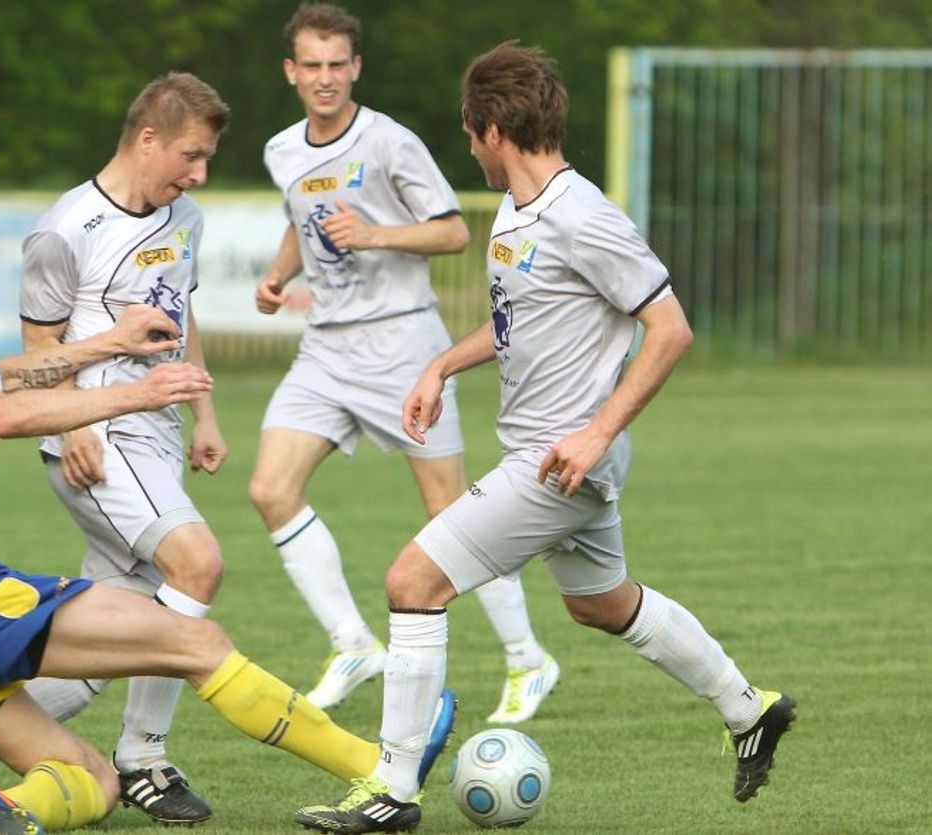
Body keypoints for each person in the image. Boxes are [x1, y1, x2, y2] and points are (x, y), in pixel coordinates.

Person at [0, 208, 455, 835]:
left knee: (91, 783)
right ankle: (384, 773)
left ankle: (7, 814)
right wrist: (138, 392)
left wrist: (108, 344)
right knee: (197, 643)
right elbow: (2, 413)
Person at [295, 41, 797, 833]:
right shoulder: (516, 213)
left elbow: (669, 329)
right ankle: (751, 708)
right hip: (553, 455)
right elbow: (514, 326)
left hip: (561, 460)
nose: (467, 146)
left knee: (411, 581)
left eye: (468, 133)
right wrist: (441, 367)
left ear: (491, 129)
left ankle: (391, 789)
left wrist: (596, 434)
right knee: (602, 604)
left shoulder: (582, 215)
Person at [0, 70, 234, 828]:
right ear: (147, 138)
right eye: (190, 155)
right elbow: (38, 347)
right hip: (96, 437)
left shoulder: (184, 216)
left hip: (154, 432)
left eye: (206, 160)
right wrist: (72, 426)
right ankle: (145, 757)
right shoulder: (67, 228)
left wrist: (205, 413)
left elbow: (180, 311)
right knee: (197, 564)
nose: (198, 173)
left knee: (113, 629)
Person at [249, 2, 558, 722]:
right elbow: (305, 222)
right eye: (311, 66)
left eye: (338, 65)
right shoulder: (281, 150)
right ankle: (353, 641)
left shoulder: (389, 142)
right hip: (326, 346)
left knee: (450, 512)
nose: (325, 79)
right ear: (291, 72)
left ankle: (528, 658)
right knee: (270, 488)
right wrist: (278, 273)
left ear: (355, 67)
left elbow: (452, 232)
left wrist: (376, 233)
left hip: (401, 343)